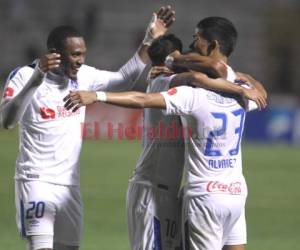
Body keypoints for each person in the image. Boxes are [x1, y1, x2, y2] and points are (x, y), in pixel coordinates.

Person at [63, 17, 267, 250]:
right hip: (153, 190)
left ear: (212, 46)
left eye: (196, 42)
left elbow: (206, 72)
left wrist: (171, 57)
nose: (192, 50)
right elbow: (213, 75)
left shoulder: (192, 92)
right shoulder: (168, 82)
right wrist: (241, 85)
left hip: (186, 193)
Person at [0, 6, 176, 250]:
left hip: (70, 186)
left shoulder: (83, 76)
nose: (80, 60)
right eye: (74, 55)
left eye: (82, 54)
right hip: (36, 180)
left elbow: (124, 77)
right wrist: (37, 77)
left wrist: (150, 38)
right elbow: (7, 121)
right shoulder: (23, 76)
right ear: (55, 54)